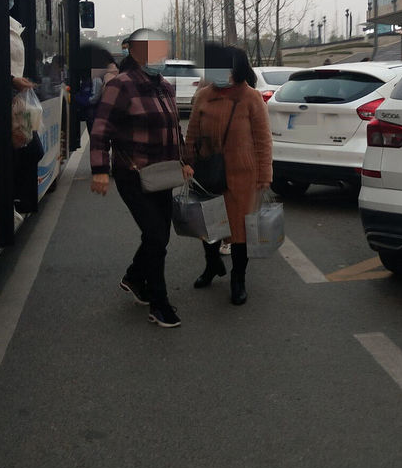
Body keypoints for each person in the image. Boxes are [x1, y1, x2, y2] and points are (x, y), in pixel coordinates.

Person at [89, 46, 194, 328]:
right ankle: (159, 304)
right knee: (156, 236)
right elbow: (101, 129)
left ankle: (135, 277)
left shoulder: (166, 87)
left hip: (163, 173)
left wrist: (185, 160)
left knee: (159, 235)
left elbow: (175, 129)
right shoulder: (120, 86)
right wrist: (99, 170)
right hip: (133, 174)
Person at [184, 43, 272, 305]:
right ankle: (212, 265)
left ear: (238, 69)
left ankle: (238, 278)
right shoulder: (204, 95)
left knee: (239, 231)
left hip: (242, 174)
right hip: (207, 171)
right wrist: (187, 162)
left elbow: (263, 140)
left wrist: (264, 175)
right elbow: (192, 133)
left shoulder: (251, 98)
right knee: (208, 225)